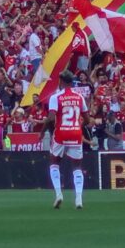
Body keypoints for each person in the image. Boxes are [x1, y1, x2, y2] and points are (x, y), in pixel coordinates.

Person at [45, 81, 88, 210]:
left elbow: (51, 118)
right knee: (77, 166)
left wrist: (43, 130)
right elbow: (87, 118)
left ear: (61, 82)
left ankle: (59, 194)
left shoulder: (56, 97)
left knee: (54, 162)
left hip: (61, 133)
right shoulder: (79, 97)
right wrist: (78, 126)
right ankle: (79, 198)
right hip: (75, 133)